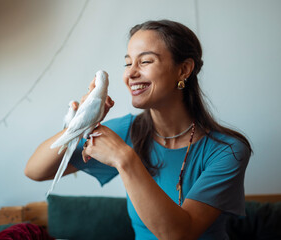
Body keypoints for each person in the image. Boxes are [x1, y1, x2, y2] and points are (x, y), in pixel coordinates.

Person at [25, 19, 252, 240]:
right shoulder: (128, 130)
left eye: (145, 62)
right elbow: (35, 171)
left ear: (184, 70)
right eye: (128, 63)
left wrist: (124, 158)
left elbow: (180, 235)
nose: (130, 74)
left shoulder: (227, 150)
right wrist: (81, 123)